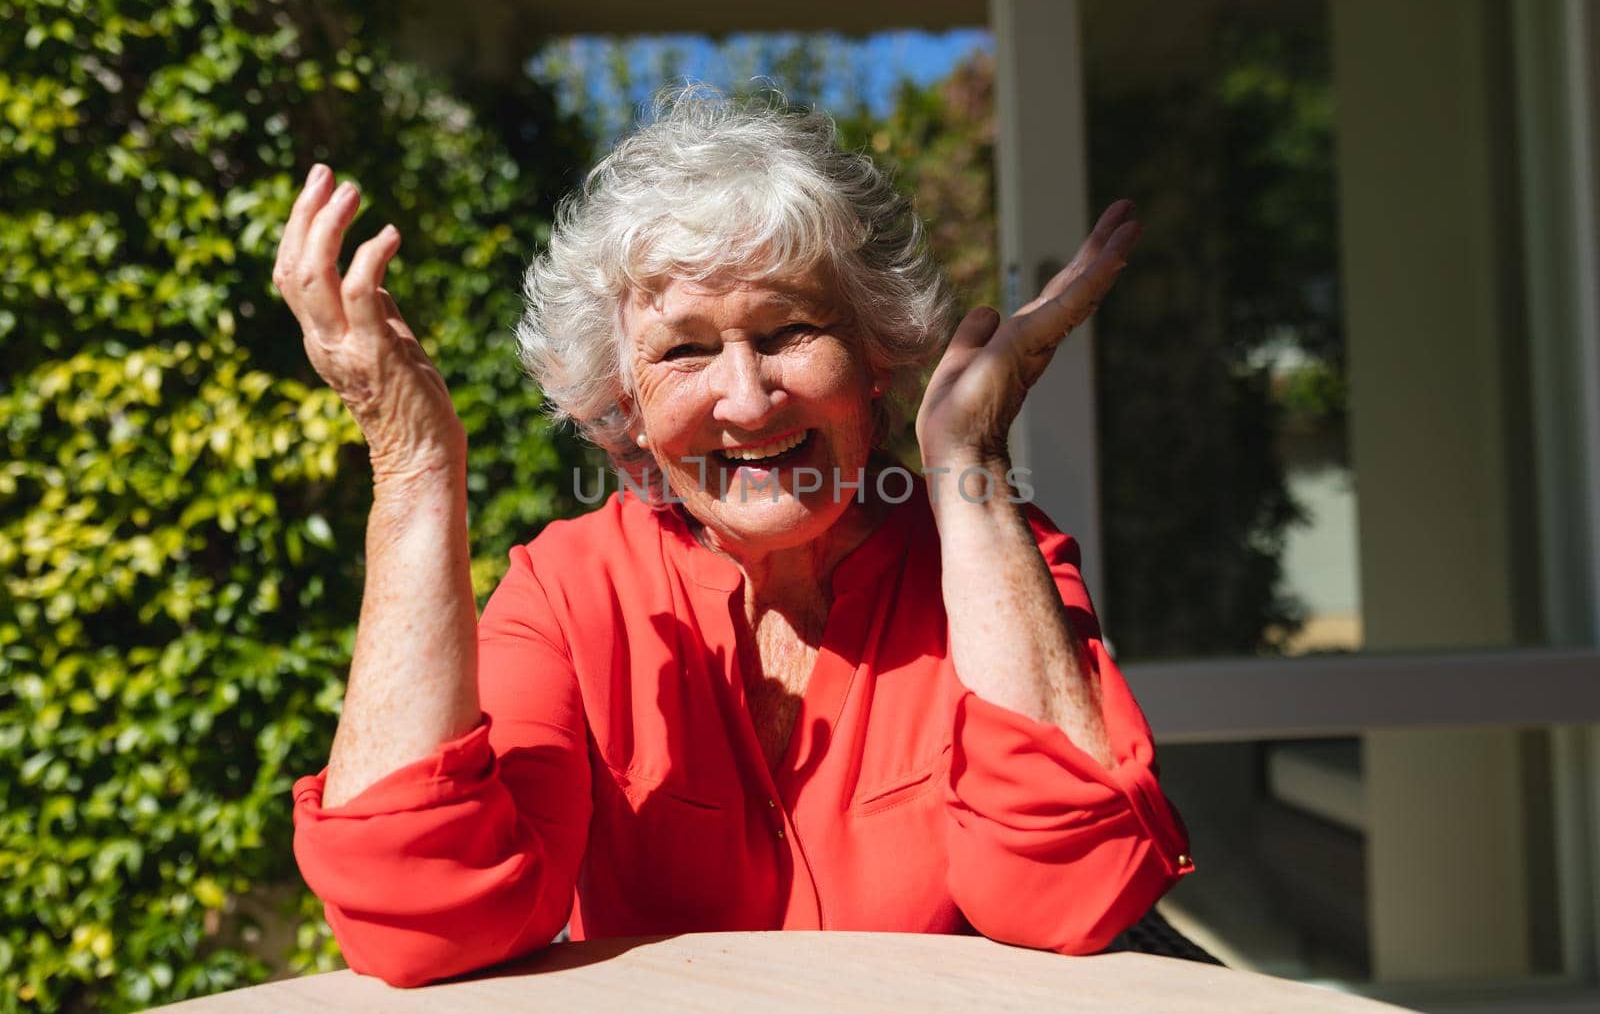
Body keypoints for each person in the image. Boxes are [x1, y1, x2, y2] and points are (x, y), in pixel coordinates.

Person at [280, 89, 1192, 988]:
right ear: (624, 406)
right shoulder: (570, 590)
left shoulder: (990, 558)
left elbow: (1076, 890)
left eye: (790, 328)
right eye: (683, 351)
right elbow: (418, 914)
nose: (749, 399)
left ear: (876, 358)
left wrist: (976, 468)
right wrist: (413, 464)